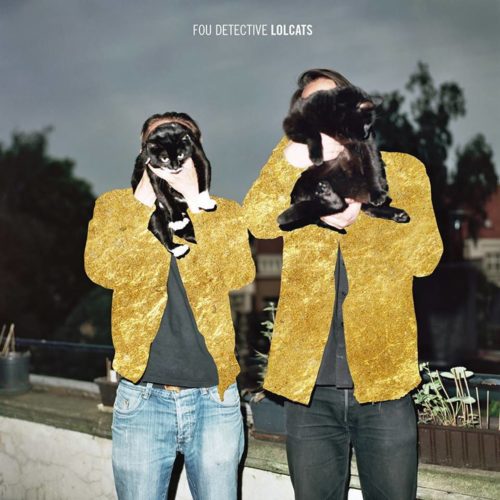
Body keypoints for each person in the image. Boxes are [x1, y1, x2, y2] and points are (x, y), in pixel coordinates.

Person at [243, 69, 443, 499]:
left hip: (384, 383)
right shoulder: (296, 177)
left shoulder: (403, 171)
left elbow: (426, 259)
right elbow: (257, 220)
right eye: (311, 106)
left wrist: (364, 209)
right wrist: (290, 158)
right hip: (309, 389)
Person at [84, 112, 255, 500]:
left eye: (181, 142)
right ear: (143, 151)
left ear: (196, 151)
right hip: (142, 397)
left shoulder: (224, 211)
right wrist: (141, 205)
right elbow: (102, 269)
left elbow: (238, 273)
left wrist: (196, 203)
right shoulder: (115, 207)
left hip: (214, 397)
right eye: (157, 142)